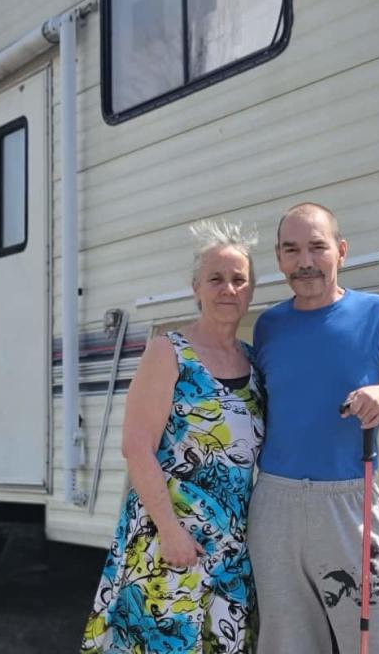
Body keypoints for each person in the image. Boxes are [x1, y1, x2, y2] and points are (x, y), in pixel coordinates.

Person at [248, 202, 379, 654]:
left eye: (317, 247)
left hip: (349, 502)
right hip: (275, 504)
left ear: (341, 251)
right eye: (291, 250)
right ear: (278, 258)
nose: (305, 262)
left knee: (373, 644)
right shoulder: (268, 326)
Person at [81, 220, 263, 654]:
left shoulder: (255, 362)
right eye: (216, 279)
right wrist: (171, 531)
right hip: (169, 540)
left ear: (252, 290)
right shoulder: (168, 351)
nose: (228, 289)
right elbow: (136, 447)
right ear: (195, 287)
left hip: (231, 549)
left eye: (239, 280)